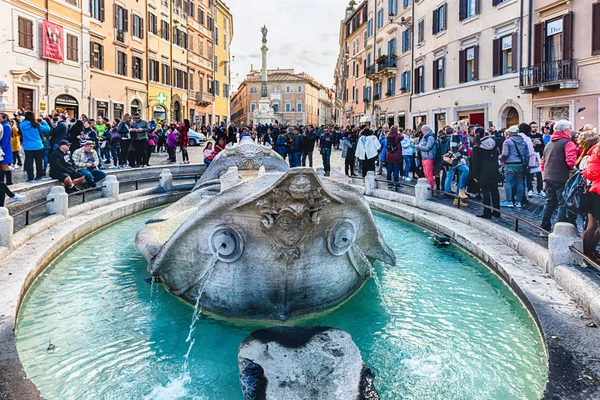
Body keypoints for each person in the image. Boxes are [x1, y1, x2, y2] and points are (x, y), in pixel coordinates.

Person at [540, 119, 578, 236]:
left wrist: (544, 179)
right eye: (570, 129)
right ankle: (559, 231)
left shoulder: (549, 144)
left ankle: (544, 229)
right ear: (566, 130)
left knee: (550, 203)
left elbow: (543, 162)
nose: (571, 131)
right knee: (563, 204)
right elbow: (571, 161)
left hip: (549, 177)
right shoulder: (568, 143)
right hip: (562, 178)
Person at [471, 128, 501, 219]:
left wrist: (474, 175)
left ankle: (486, 212)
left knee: (485, 192)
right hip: (494, 170)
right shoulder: (494, 143)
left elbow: (475, 163)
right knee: (495, 191)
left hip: (483, 172)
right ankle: (497, 211)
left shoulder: (477, 147)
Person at [500, 126, 529, 208]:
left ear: (511, 133)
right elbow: (527, 155)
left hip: (510, 164)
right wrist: (525, 163)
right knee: (520, 183)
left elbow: (505, 154)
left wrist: (500, 157)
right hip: (520, 164)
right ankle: (518, 202)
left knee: (508, 182)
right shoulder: (524, 142)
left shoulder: (507, 142)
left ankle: (509, 201)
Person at [582, 143, 600, 260]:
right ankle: (586, 252)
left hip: (596, 191)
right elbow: (592, 173)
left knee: (593, 225)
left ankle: (590, 251)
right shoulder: (597, 150)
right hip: (597, 193)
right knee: (592, 225)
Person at [20, 111, 50, 182]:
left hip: (27, 146)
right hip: (38, 145)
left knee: (29, 162)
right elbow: (47, 129)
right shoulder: (36, 124)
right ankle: (39, 176)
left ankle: (30, 177)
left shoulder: (21, 125)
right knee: (39, 161)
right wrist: (43, 121)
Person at [385, 125, 404, 190]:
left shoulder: (388, 136)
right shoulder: (397, 136)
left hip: (389, 155)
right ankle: (396, 183)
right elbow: (402, 137)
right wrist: (399, 133)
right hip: (396, 155)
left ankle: (389, 183)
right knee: (396, 170)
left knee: (389, 170)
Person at [0, 113, 14, 185]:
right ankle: (1, 182)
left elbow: (5, 139)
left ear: (3, 117)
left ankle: (9, 181)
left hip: (4, 149)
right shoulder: (4, 125)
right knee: (1, 167)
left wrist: (2, 148)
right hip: (3, 148)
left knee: (5, 166)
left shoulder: (5, 126)